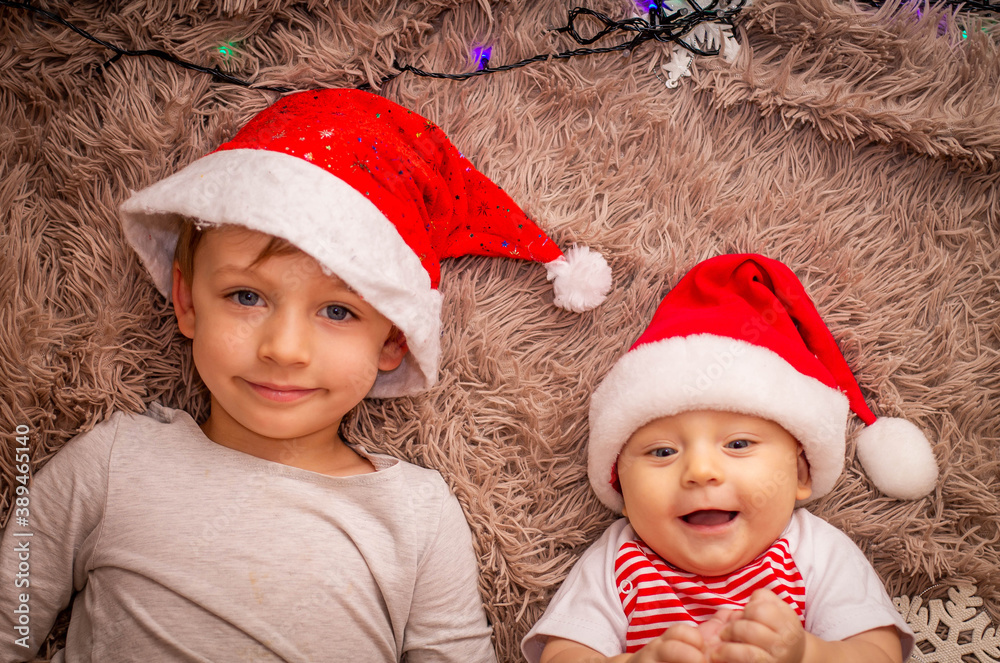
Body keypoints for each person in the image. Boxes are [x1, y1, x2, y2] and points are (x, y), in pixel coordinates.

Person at [0, 89, 611, 663]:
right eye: (245, 297)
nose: (285, 349)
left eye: (338, 311)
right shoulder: (111, 464)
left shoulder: (416, 515)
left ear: (393, 341)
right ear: (187, 302)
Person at [522, 253, 939, 663]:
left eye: (738, 444)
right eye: (663, 452)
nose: (701, 472)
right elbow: (562, 654)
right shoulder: (619, 561)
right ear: (620, 486)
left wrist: (806, 653)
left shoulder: (815, 552)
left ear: (799, 471)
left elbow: (877, 652)